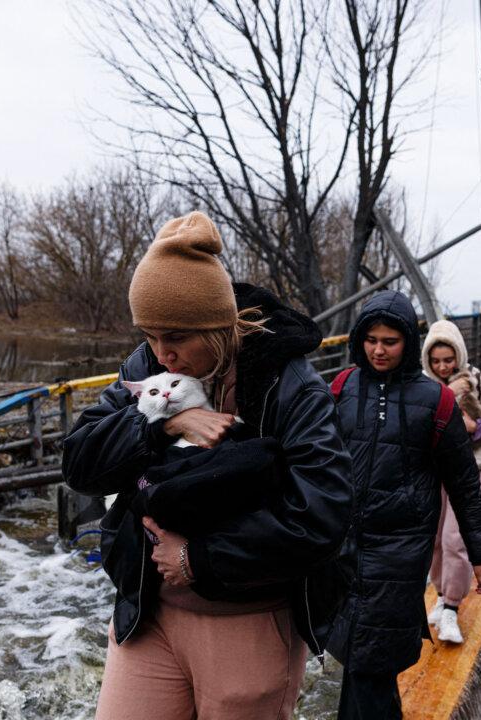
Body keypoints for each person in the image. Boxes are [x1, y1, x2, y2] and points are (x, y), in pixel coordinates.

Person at [62, 211, 353, 720]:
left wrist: (199, 558)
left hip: (249, 619)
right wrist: (163, 423)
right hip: (148, 613)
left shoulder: (290, 385)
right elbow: (80, 463)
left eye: (175, 336)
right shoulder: (148, 367)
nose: (162, 355)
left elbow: (322, 515)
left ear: (217, 326)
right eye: (149, 335)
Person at [327, 291, 481, 719]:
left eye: (390, 341)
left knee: (371, 654)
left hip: (400, 548)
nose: (379, 350)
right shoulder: (343, 387)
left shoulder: (435, 400)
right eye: (370, 340)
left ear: (407, 342)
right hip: (344, 544)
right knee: (359, 653)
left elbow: (462, 481)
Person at [421, 320, 481, 645]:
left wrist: (476, 427)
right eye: (436, 361)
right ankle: (442, 592)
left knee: (454, 540)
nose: (443, 366)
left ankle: (450, 608)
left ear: (458, 355)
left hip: (473, 469)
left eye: (448, 359)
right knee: (432, 538)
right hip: (434, 472)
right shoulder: (424, 387)